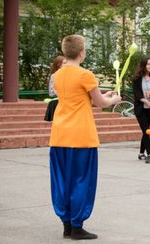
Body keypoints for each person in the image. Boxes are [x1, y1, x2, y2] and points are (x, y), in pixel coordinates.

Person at [49, 34, 121, 240]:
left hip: (60, 134)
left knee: (62, 181)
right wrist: (114, 98)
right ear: (81, 53)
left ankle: (66, 224)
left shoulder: (58, 75)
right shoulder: (86, 74)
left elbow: (79, 99)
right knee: (81, 181)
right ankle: (77, 226)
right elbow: (100, 103)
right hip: (81, 135)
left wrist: (102, 96)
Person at [132, 56, 150, 164]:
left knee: (147, 132)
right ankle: (149, 154)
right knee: (146, 131)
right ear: (144, 65)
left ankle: (141, 153)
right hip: (141, 108)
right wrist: (146, 101)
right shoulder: (137, 78)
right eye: (148, 64)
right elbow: (137, 94)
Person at [44, 55, 65, 121]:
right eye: (64, 63)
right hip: (58, 103)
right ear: (59, 64)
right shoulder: (54, 76)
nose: (67, 64)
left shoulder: (70, 74)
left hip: (68, 102)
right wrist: (62, 94)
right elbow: (51, 92)